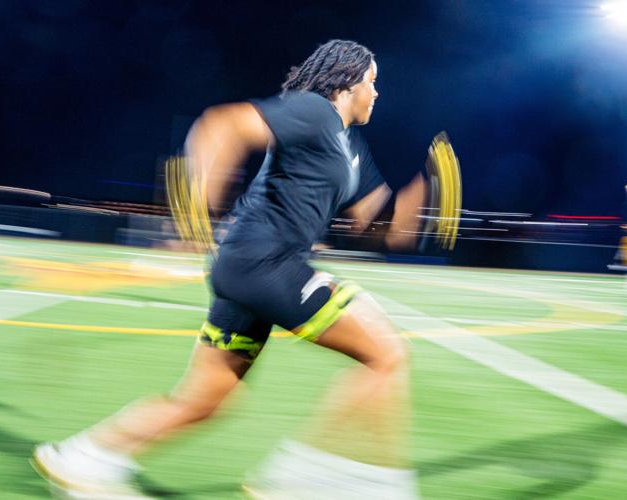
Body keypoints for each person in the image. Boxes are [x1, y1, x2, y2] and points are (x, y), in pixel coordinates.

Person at [33, 39, 427, 499]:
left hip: (247, 270)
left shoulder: (349, 146)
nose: (377, 94)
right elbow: (223, 125)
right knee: (386, 353)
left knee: (204, 399)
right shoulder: (314, 112)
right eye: (372, 83)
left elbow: (380, 225)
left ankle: (84, 459)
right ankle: (305, 480)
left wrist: (427, 193)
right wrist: (200, 199)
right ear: (347, 81)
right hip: (265, 263)